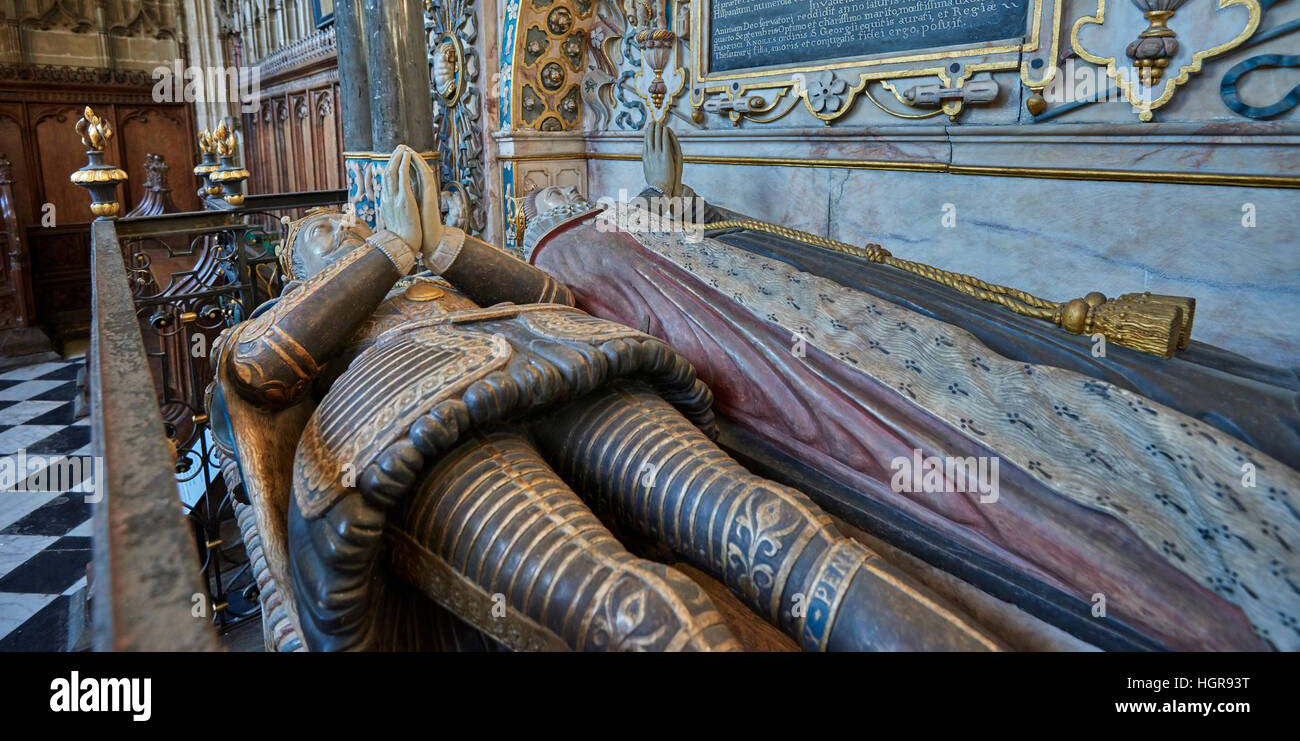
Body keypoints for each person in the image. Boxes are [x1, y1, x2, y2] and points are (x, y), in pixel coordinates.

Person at [527, 124, 1300, 651]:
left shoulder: (618, 225)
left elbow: (757, 247)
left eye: (548, 198)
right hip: (756, 340)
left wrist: (668, 198)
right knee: (906, 415)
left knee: (963, 374)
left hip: (812, 308)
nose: (543, 200)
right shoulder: (569, 262)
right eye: (537, 205)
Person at [209, 146, 996, 651]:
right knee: (639, 613)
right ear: (295, 270)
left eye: (347, 221)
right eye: (323, 231)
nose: (342, 227)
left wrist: (439, 244)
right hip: (414, 411)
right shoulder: (289, 312)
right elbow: (261, 372)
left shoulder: (423, 268)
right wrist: (382, 250)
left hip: (558, 361)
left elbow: (551, 290)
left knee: (774, 527)